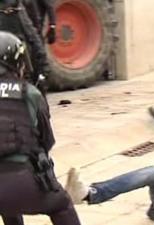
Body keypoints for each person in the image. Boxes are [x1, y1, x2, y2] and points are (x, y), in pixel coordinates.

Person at [0, 31, 81, 225]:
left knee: (7, 203)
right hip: (25, 182)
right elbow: (47, 141)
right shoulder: (29, 93)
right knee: (62, 205)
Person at [0, 0, 50, 86]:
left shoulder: (16, 7)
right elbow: (33, 35)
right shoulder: (16, 8)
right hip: (18, 65)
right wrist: (44, 66)